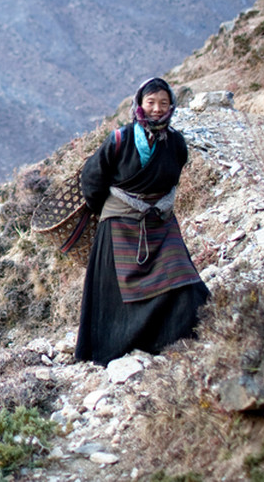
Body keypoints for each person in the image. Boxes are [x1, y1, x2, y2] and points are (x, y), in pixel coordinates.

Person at [74, 77, 210, 365]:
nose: (157, 109)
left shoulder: (175, 142)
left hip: (160, 221)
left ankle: (181, 335)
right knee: (118, 291)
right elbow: (92, 179)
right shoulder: (120, 139)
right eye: (151, 103)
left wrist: (153, 205)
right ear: (140, 104)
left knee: (182, 277)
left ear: (171, 105)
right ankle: (115, 346)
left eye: (163, 103)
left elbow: (173, 175)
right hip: (119, 223)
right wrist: (114, 210)